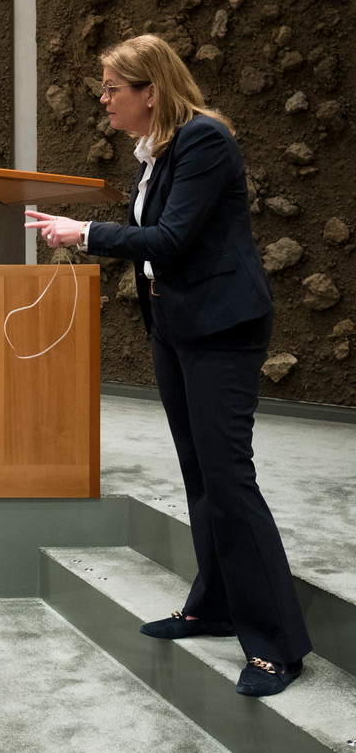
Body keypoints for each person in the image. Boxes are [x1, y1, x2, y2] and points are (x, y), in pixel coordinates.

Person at [25, 34, 312, 697]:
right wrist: (88, 234)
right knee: (201, 475)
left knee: (229, 478)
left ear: (149, 91)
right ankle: (213, 602)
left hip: (221, 329)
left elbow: (173, 239)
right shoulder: (154, 154)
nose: (102, 101)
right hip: (178, 328)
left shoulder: (204, 141)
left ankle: (279, 644)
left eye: (111, 91)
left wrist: (84, 233)